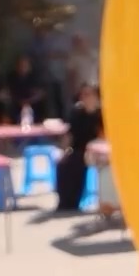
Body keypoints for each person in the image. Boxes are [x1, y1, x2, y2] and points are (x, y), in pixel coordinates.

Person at [54, 81, 105, 210]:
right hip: (77, 149)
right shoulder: (77, 113)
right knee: (63, 164)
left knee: (77, 161)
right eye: (82, 95)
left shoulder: (101, 115)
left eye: (88, 94)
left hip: (95, 150)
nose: (84, 98)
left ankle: (74, 199)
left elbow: (103, 137)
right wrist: (63, 151)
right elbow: (70, 135)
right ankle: (64, 201)